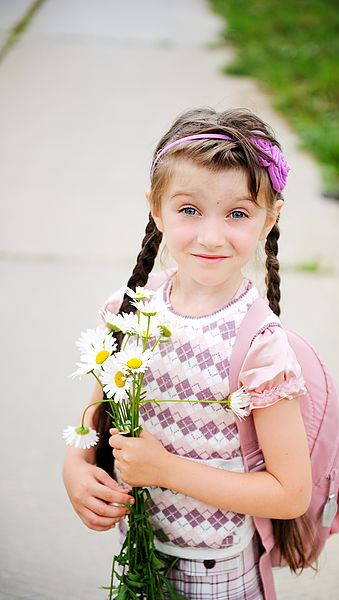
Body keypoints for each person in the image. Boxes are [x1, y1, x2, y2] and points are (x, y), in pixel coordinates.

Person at [62, 107, 312, 600]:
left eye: (237, 213)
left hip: (216, 570)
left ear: (270, 218)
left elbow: (290, 492)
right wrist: (75, 465)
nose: (211, 236)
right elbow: (95, 412)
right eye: (189, 210)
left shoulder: (261, 347)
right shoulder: (130, 308)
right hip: (140, 552)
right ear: (156, 209)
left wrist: (167, 470)